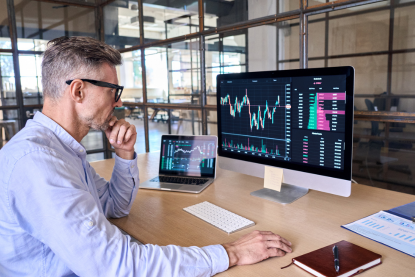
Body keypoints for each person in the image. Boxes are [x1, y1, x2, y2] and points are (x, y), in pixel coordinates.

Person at [0, 36, 292, 276]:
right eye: (113, 91)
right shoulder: (39, 164)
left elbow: (115, 207)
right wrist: (231, 252)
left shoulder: (62, 151)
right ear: (78, 91)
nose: (119, 101)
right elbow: (116, 265)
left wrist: (125, 156)